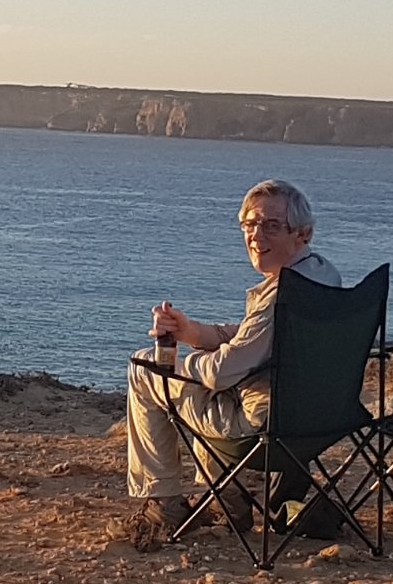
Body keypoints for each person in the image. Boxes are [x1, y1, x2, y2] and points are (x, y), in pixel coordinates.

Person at [122, 179, 338, 550]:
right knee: (215, 386)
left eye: (272, 226)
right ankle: (225, 500)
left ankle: (165, 505)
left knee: (146, 368)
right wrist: (192, 332)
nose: (256, 235)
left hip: (265, 429)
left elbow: (222, 373)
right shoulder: (321, 275)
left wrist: (183, 362)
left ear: (302, 234)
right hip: (322, 420)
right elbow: (253, 338)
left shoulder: (282, 296)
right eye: (249, 224)